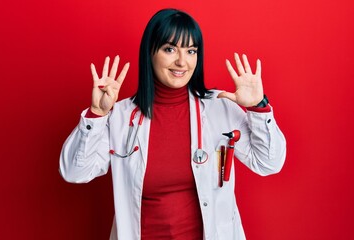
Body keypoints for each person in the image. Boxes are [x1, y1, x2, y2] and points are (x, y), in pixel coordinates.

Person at [59, 8, 286, 240]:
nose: (181, 61)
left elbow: (268, 162)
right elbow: (75, 172)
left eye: (191, 50)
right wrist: (97, 114)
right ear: (150, 52)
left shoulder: (220, 107)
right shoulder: (120, 116)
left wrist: (258, 107)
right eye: (170, 49)